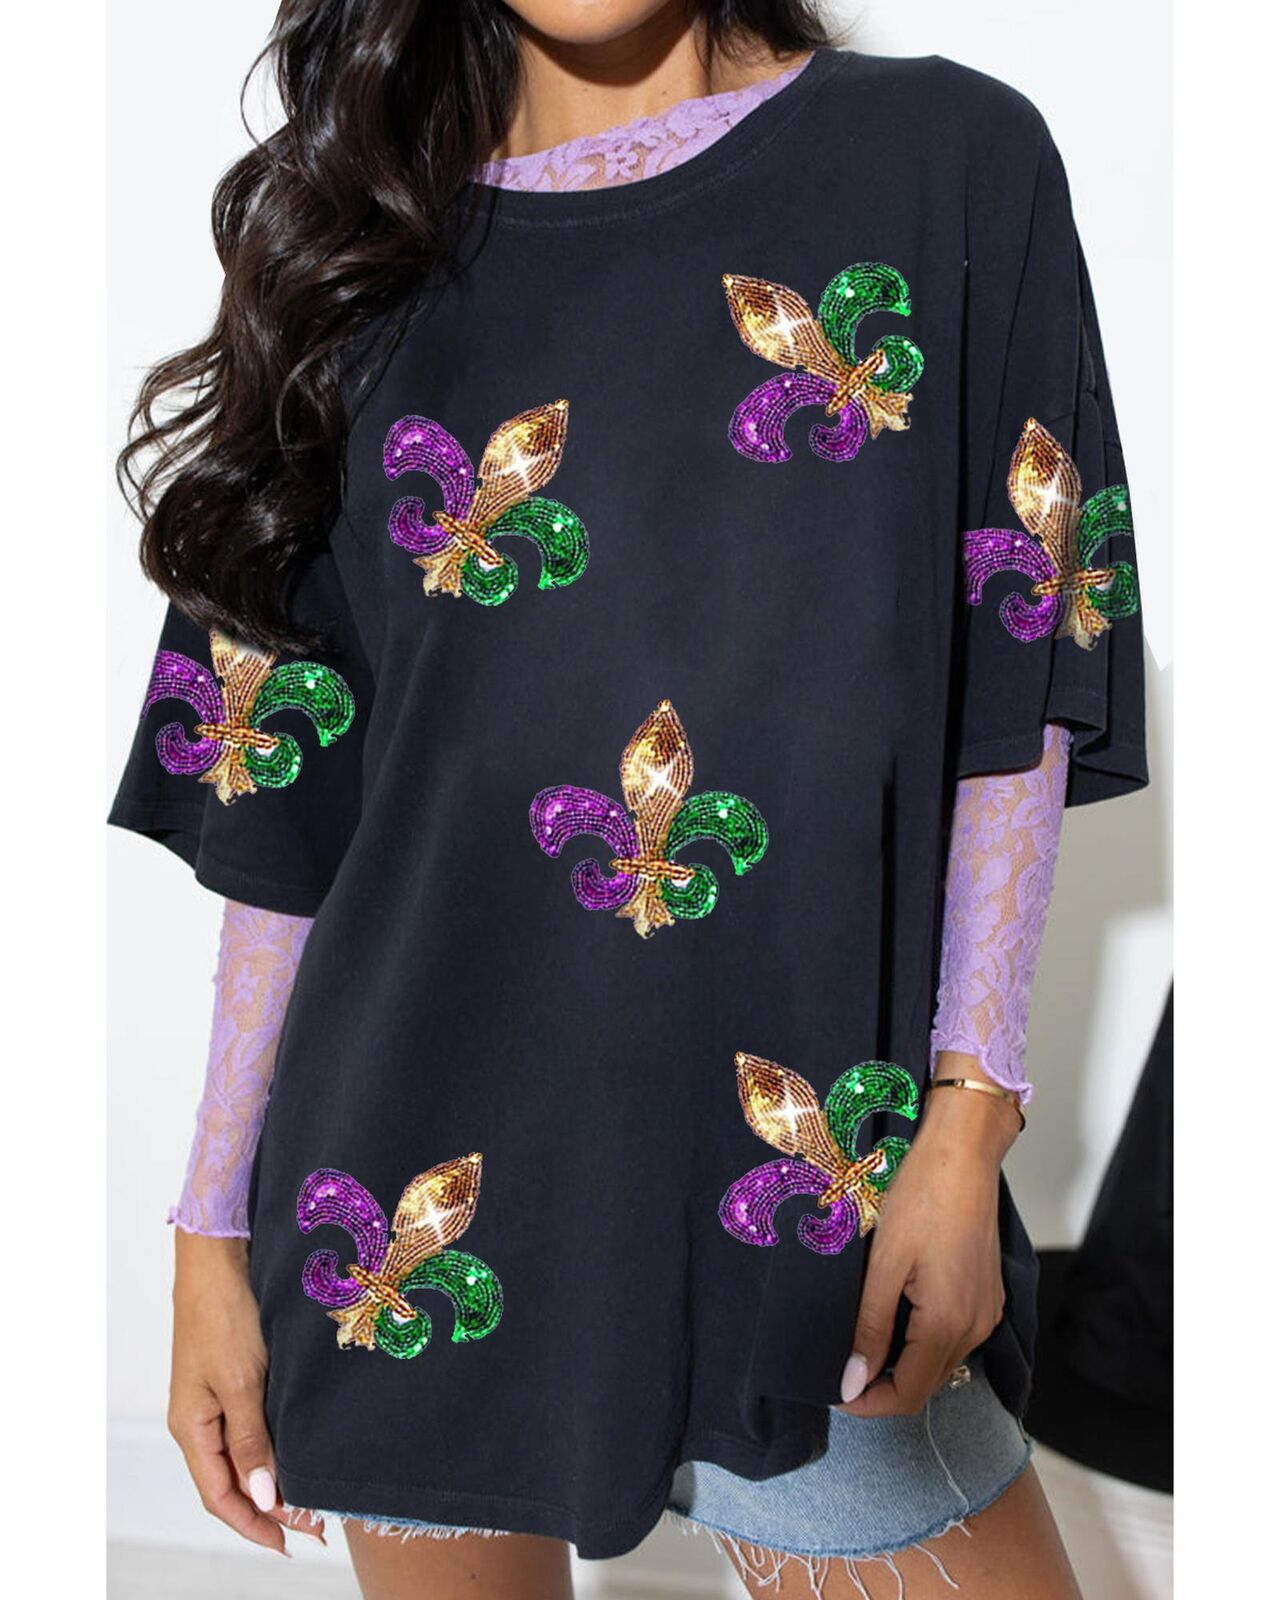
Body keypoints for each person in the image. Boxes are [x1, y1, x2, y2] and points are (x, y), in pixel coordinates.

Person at [110, 4, 1147, 1597]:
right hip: (408, 1198)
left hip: (817, 1170)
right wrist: (209, 1236)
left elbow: (1016, 685)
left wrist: (967, 1119)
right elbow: (281, 808)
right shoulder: (343, 244)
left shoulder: (947, 157)